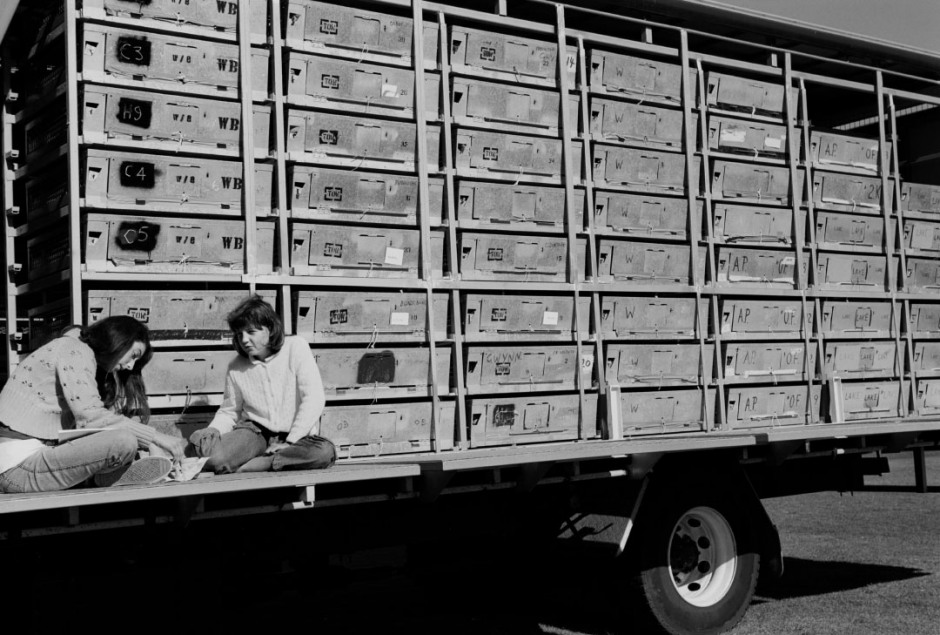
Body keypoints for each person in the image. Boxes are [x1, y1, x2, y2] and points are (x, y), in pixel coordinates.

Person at [0, 316, 186, 493]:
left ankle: (106, 473)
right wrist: (155, 437)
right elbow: (92, 418)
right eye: (133, 355)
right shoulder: (74, 350)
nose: (130, 366)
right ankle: (103, 475)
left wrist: (147, 444)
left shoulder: (82, 354)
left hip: (35, 457)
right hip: (16, 467)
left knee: (125, 440)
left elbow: (97, 423)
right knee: (123, 441)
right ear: (119, 340)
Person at [189, 296, 335, 473]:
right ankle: (267, 460)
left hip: (298, 436)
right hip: (256, 433)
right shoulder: (236, 367)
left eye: (251, 332)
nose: (244, 340)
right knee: (215, 457)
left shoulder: (296, 347)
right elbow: (230, 411)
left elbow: (314, 398)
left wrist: (291, 440)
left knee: (325, 452)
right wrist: (213, 430)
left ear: (270, 329)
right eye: (239, 334)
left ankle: (264, 462)